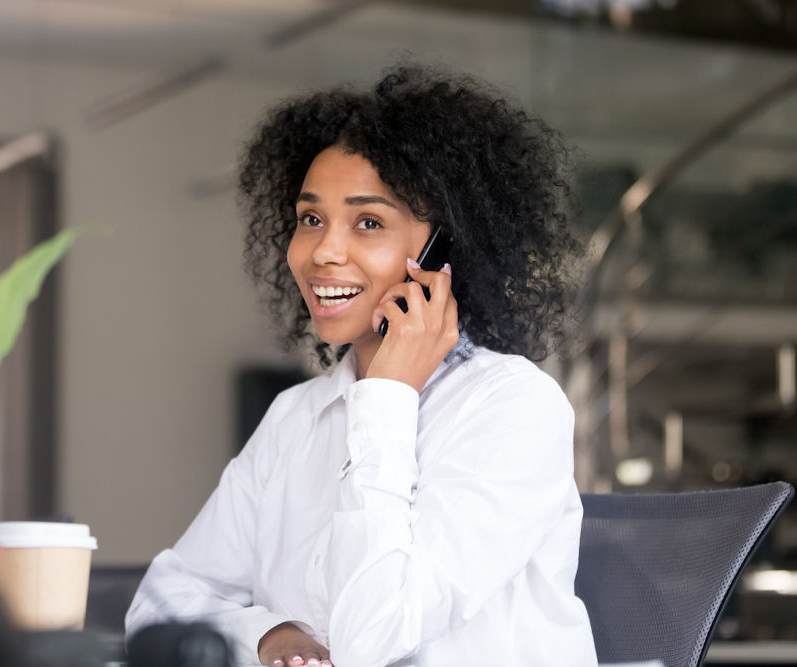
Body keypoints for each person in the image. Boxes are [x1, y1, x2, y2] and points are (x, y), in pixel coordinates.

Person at [126, 64, 598, 667]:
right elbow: (162, 603)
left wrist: (388, 397)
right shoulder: (297, 417)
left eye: (368, 222)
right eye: (310, 219)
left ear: (443, 252)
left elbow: (374, 640)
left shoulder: (513, 407)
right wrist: (271, 636)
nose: (323, 251)